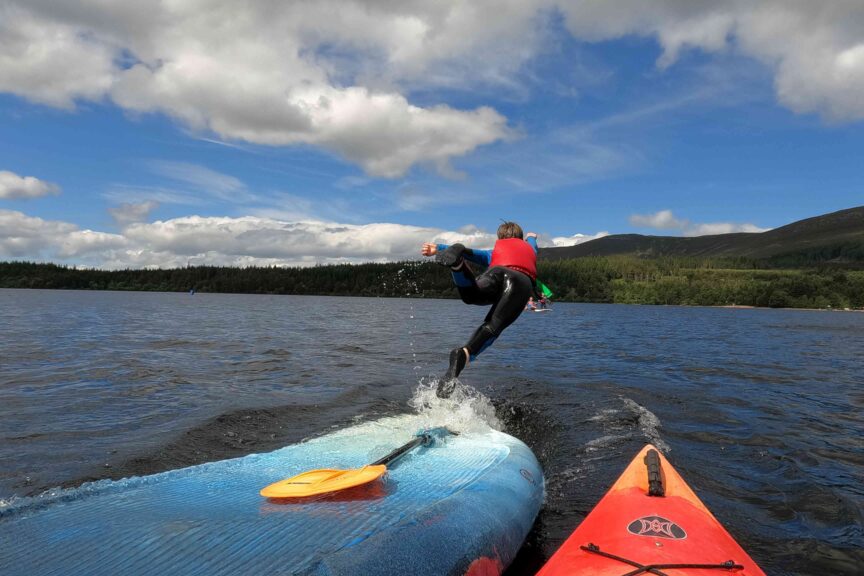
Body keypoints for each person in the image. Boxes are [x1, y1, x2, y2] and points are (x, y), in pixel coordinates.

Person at [421, 222, 538, 397]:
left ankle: (458, 267)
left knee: (471, 295)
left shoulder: (494, 253)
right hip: (520, 281)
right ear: (520, 239)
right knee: (493, 325)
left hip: (496, 272)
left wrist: (438, 248)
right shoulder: (529, 248)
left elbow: (470, 252)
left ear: (500, 239)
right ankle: (465, 352)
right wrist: (532, 237)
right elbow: (533, 244)